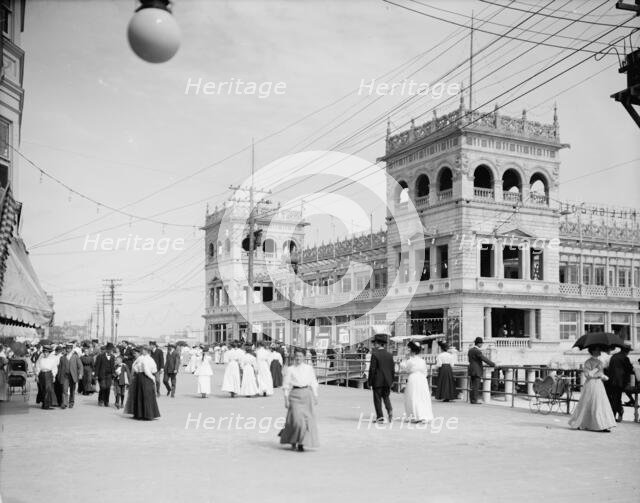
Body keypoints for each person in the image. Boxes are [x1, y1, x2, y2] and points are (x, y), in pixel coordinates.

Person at [279, 348, 319, 452]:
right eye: (296, 356)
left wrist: (315, 395)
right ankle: (293, 440)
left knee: (306, 421)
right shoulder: (290, 369)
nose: (298, 358)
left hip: (307, 395)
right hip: (295, 395)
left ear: (304, 357)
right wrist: (286, 399)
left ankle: (301, 443)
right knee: (296, 421)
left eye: (300, 356)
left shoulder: (309, 368)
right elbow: (286, 385)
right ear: (294, 357)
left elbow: (313, 382)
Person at [569, 345, 616, 432]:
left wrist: (603, 376)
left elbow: (600, 374)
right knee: (590, 403)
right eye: (598, 350)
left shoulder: (600, 362)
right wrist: (596, 369)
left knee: (600, 403)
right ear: (593, 351)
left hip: (599, 384)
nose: (599, 352)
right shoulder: (587, 362)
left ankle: (602, 424)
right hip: (590, 384)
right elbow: (587, 375)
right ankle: (587, 423)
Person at [400, 341, 434, 423]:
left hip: (413, 378)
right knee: (422, 397)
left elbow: (404, 367)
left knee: (413, 396)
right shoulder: (422, 361)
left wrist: (405, 358)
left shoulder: (410, 361)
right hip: (422, 379)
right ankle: (424, 415)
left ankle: (415, 415)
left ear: (412, 351)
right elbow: (425, 372)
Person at [367, 333, 395, 423]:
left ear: (378, 343)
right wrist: (392, 380)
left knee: (377, 399)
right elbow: (392, 369)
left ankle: (380, 417)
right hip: (387, 380)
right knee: (386, 397)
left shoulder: (375, 354)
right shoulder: (389, 355)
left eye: (375, 343)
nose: (374, 345)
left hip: (377, 380)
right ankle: (389, 409)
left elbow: (372, 369)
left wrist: (369, 381)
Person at [128, 346, 160, 420]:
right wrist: (152, 377)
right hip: (146, 378)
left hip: (140, 377)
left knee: (139, 395)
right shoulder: (150, 359)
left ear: (146, 351)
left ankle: (139, 414)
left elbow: (134, 367)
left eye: (143, 350)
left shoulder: (141, 358)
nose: (142, 351)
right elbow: (152, 370)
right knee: (147, 396)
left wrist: (137, 372)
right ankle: (148, 414)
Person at [605, 344, 634, 422]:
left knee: (613, 399)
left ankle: (616, 414)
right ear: (627, 351)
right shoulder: (625, 358)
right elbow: (630, 370)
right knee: (617, 399)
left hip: (611, 381)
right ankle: (617, 413)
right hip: (619, 382)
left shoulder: (614, 356)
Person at [467, 337, 496, 404]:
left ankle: (472, 399)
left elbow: (469, 360)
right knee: (476, 385)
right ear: (479, 344)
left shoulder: (470, 350)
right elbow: (484, 359)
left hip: (471, 369)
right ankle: (474, 400)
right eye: (481, 343)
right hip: (477, 370)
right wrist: (493, 364)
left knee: (472, 385)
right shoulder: (477, 351)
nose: (482, 345)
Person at [57, 343, 83, 409]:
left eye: (69, 348)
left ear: (71, 349)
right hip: (65, 376)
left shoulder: (75, 357)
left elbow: (80, 366)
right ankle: (64, 403)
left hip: (73, 376)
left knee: (72, 390)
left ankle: (71, 402)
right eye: (67, 348)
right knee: (64, 390)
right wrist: (59, 376)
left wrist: (80, 374)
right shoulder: (62, 357)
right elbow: (60, 368)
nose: (68, 350)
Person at [35, 345, 57, 410]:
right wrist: (36, 375)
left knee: (48, 389)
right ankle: (44, 404)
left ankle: (47, 405)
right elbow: (37, 367)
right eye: (44, 352)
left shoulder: (52, 358)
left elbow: (54, 368)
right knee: (43, 389)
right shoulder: (40, 358)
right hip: (41, 374)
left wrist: (54, 376)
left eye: (47, 352)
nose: (45, 353)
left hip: (49, 374)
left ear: (49, 352)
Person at [95, 343, 115, 407]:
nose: (110, 350)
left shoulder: (113, 356)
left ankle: (106, 401)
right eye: (109, 349)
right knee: (102, 387)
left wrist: (113, 374)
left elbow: (113, 367)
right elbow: (97, 366)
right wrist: (96, 375)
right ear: (106, 349)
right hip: (102, 374)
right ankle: (101, 400)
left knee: (108, 388)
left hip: (109, 375)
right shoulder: (100, 356)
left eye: (111, 349)